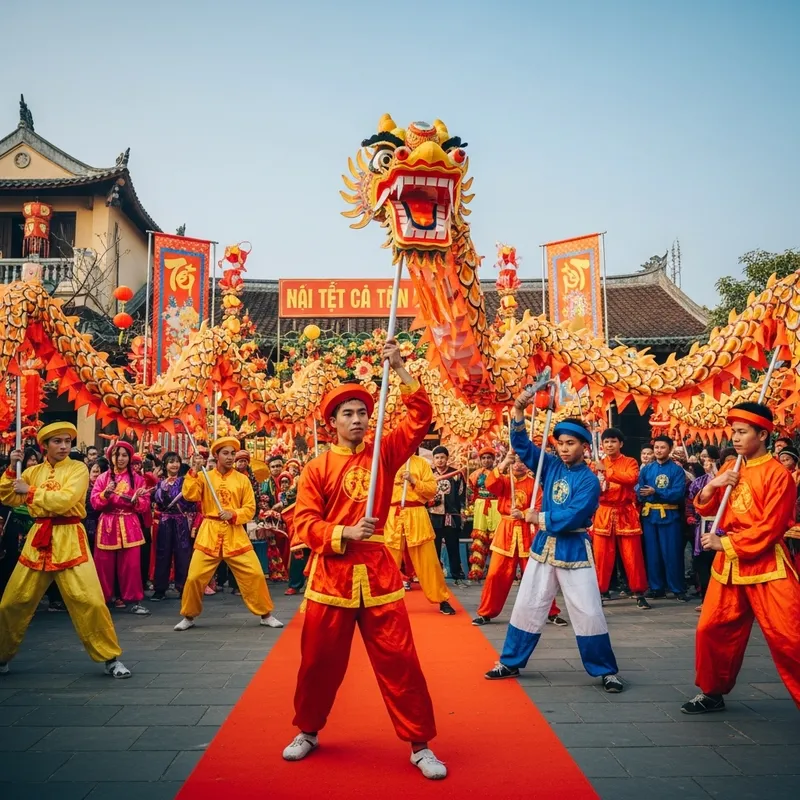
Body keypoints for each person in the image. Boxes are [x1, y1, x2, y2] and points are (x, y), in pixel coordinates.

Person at [282, 339, 446, 780]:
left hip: (379, 574)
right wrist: (342, 533)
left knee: (400, 660)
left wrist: (402, 368)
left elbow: (420, 419)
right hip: (330, 578)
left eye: (362, 413)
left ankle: (419, 743)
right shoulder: (316, 468)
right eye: (347, 414)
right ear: (332, 422)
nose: (357, 420)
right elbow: (303, 523)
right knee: (318, 662)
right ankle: (308, 730)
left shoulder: (384, 454)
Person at [484, 392, 623, 694]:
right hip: (543, 548)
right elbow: (522, 446)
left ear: (584, 447)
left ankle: (606, 670)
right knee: (527, 606)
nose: (563, 448)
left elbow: (576, 514)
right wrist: (519, 413)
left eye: (570, 443)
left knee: (588, 611)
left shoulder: (588, 480)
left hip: (573, 548)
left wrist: (537, 518)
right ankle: (510, 661)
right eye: (560, 442)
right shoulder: (551, 465)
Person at [683, 402, 800, 714]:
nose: (734, 438)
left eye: (742, 432)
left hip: (766, 564)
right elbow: (707, 508)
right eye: (733, 431)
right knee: (711, 629)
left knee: (791, 636)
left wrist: (725, 544)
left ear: (762, 434)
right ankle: (712, 692)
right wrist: (713, 487)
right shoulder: (730, 468)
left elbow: (771, 528)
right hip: (730, 567)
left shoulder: (779, 475)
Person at [0, 422, 131, 678]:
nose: (63, 446)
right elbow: (8, 497)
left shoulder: (78, 469)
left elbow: (66, 500)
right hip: (38, 540)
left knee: (91, 601)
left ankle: (110, 658)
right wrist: (9, 470)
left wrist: (31, 492)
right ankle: (2, 656)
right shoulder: (31, 472)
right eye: (57, 442)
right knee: (12, 602)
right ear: (44, 446)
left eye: (67, 441)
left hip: (70, 538)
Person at [174, 437, 283, 631]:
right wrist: (193, 471)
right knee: (194, 577)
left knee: (255, 574)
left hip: (235, 534)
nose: (230, 457)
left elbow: (250, 509)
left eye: (233, 453)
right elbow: (190, 495)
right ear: (216, 456)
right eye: (226, 453)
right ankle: (188, 616)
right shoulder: (204, 477)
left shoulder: (242, 480)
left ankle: (265, 614)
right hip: (209, 532)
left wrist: (233, 514)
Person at [385, 452, 455, 615]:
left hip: (416, 514)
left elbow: (431, 491)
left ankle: (442, 599)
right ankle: (383, 600)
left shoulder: (421, 464)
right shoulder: (388, 461)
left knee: (428, 560)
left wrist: (414, 481)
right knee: (388, 561)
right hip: (393, 515)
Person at [592, 428, 651, 609]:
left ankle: (639, 591)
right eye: (607, 442)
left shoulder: (630, 462)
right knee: (601, 556)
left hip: (625, 512)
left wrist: (607, 472)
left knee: (633, 555)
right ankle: (600, 591)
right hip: (604, 513)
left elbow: (631, 478)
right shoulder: (596, 464)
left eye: (613, 441)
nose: (609, 445)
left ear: (621, 444)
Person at [91, 442, 151, 615]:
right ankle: (102, 600)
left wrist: (136, 500)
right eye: (118, 455)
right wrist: (105, 494)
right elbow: (95, 502)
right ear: (111, 457)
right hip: (108, 524)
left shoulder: (138, 479)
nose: (121, 459)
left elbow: (145, 504)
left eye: (125, 455)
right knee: (103, 565)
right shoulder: (102, 478)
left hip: (129, 523)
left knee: (131, 565)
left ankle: (134, 600)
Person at [638, 435, 690, 601]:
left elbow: (678, 494)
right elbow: (639, 489)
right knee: (652, 553)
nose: (658, 450)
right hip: (650, 516)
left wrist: (656, 492)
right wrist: (640, 492)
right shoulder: (646, 469)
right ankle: (656, 587)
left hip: (670, 516)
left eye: (662, 447)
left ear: (670, 449)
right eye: (657, 447)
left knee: (672, 552)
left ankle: (677, 588)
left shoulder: (676, 470)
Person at [151, 451, 196, 601]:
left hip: (180, 520)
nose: (174, 464)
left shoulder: (185, 481)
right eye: (171, 461)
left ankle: (183, 587)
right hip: (165, 521)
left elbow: (191, 500)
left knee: (182, 553)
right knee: (163, 554)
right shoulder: (160, 483)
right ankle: (160, 589)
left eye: (177, 461)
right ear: (165, 465)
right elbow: (157, 502)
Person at [429, 446, 466, 583]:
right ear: (433, 460)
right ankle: (435, 575)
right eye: (437, 458)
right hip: (434, 515)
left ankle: (457, 574)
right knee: (434, 546)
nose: (440, 460)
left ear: (447, 458)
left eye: (442, 457)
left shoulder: (456, 474)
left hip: (451, 514)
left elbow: (462, 494)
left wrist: (462, 510)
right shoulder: (429, 474)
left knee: (453, 545)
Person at [467, 448, 500, 581]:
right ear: (480, 460)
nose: (486, 460)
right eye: (484, 458)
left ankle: (496, 571)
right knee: (479, 537)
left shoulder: (500, 472)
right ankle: (476, 571)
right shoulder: (475, 474)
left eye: (489, 458)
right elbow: (471, 492)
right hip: (481, 504)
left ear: (493, 459)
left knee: (496, 537)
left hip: (496, 504)